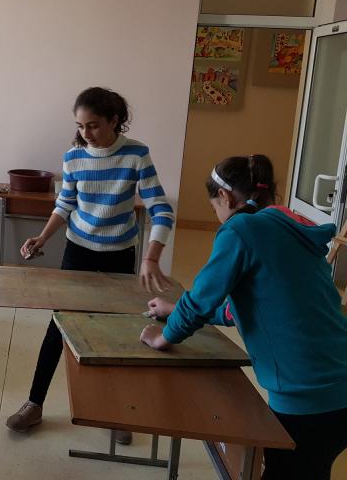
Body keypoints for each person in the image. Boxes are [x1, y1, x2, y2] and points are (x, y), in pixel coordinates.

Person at [141, 155, 347, 480]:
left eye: (214, 209)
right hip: (338, 379)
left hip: (308, 395)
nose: (218, 219)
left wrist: (165, 337)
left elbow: (202, 298)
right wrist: (174, 308)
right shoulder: (285, 226)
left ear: (224, 197)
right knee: (311, 467)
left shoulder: (240, 229)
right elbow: (247, 306)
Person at [5, 87, 175, 444]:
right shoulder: (74, 157)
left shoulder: (136, 154)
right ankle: (34, 403)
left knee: (115, 333)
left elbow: (161, 209)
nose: (86, 133)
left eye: (93, 125)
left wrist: (151, 256)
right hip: (78, 251)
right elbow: (65, 205)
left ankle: (115, 412)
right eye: (81, 126)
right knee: (59, 326)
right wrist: (42, 238)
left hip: (119, 254)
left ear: (115, 120)